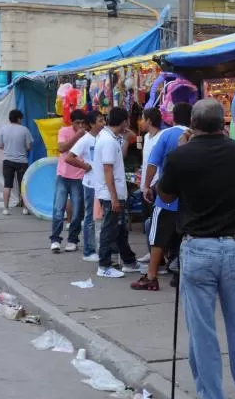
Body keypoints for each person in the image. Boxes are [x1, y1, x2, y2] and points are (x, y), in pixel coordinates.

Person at [156, 98, 235, 399]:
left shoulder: (180, 156)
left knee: (202, 329)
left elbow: (166, 194)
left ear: (192, 124)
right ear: (223, 123)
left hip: (198, 247)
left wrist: (182, 149)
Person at [131, 102, 192, 291]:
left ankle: (151, 276)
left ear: (173, 117)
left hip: (167, 196)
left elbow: (153, 163)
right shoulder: (195, 136)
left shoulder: (167, 134)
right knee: (185, 236)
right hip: (190, 198)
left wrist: (146, 186)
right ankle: (181, 273)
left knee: (157, 236)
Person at [93, 107, 139, 278]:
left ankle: (129, 261)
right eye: (127, 121)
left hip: (113, 192)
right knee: (110, 229)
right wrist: (114, 197)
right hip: (111, 194)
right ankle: (104, 265)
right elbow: (108, 170)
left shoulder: (109, 138)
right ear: (124, 121)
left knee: (119, 229)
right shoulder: (108, 141)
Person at [66, 111, 104, 261]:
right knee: (90, 217)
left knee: (100, 218)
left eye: (104, 120)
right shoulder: (86, 139)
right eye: (100, 121)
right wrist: (85, 166)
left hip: (102, 183)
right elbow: (69, 157)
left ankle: (100, 248)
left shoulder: (103, 137)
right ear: (92, 124)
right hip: (91, 184)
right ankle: (88, 251)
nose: (104, 123)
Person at [49, 109, 89, 253]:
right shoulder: (64, 131)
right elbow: (62, 148)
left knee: (77, 211)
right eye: (77, 123)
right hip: (63, 175)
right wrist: (78, 136)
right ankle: (55, 239)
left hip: (79, 177)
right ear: (71, 122)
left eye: (82, 123)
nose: (80, 126)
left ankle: (72, 240)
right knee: (58, 209)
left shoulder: (88, 135)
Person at [136, 106, 163, 263]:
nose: (141, 121)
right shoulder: (146, 137)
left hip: (155, 185)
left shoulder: (161, 137)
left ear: (150, 120)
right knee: (147, 220)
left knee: (155, 222)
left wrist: (153, 185)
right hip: (144, 184)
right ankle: (150, 252)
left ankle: (158, 256)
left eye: (143, 118)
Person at [0, 109, 33, 216]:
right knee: (23, 185)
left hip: (7, 161)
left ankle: (5, 208)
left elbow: (0, 145)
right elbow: (29, 147)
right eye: (21, 118)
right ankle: (25, 208)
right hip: (22, 162)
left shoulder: (3, 129)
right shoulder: (25, 130)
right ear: (18, 118)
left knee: (7, 185)